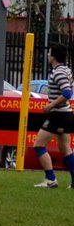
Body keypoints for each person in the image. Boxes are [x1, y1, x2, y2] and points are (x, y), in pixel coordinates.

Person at [33, 44, 74, 188]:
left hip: (58, 115)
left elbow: (67, 93)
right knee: (65, 149)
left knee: (38, 145)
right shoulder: (66, 70)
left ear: (54, 56)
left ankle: (50, 179)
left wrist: (50, 106)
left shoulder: (58, 73)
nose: (47, 55)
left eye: (49, 53)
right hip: (66, 114)